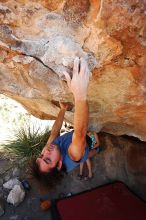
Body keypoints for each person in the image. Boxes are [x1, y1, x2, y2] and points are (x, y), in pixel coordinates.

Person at [30, 57, 91, 188]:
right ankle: (95, 150)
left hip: (79, 140)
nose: (46, 151)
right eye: (47, 159)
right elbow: (80, 134)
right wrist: (80, 93)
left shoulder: (49, 150)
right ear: (58, 165)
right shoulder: (73, 155)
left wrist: (63, 110)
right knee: (92, 141)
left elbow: (55, 131)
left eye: (41, 155)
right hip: (87, 141)